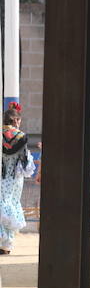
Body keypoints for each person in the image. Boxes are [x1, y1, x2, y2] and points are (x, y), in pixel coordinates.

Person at [0, 102, 31, 254]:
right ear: (15, 120)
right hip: (14, 178)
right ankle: (7, 245)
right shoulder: (21, 137)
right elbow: (25, 162)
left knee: (1, 205)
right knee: (10, 205)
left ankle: (2, 241)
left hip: (1, 175)